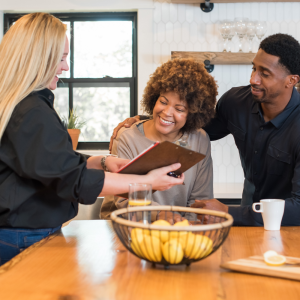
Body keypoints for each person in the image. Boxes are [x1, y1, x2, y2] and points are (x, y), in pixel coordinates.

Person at [0, 13, 184, 265]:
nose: (65, 67)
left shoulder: (21, 105)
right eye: (62, 59)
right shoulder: (31, 111)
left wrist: (101, 162)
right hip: (24, 237)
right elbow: (69, 179)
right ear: (38, 59)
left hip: (20, 234)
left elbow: (48, 165)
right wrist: (146, 181)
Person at [110, 33, 300, 226]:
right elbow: (191, 124)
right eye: (254, 69)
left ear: (291, 80)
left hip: (288, 223)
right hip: (247, 218)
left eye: (264, 74)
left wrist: (227, 211)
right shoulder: (236, 103)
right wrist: (145, 121)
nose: (253, 79)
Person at [101, 58, 218, 223]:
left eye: (179, 109)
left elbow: (200, 200)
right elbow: (124, 201)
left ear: (193, 113)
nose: (167, 112)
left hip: (177, 232)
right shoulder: (127, 138)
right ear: (153, 98)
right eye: (163, 101)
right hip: (127, 229)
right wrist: (161, 216)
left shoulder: (200, 140)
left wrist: (186, 227)